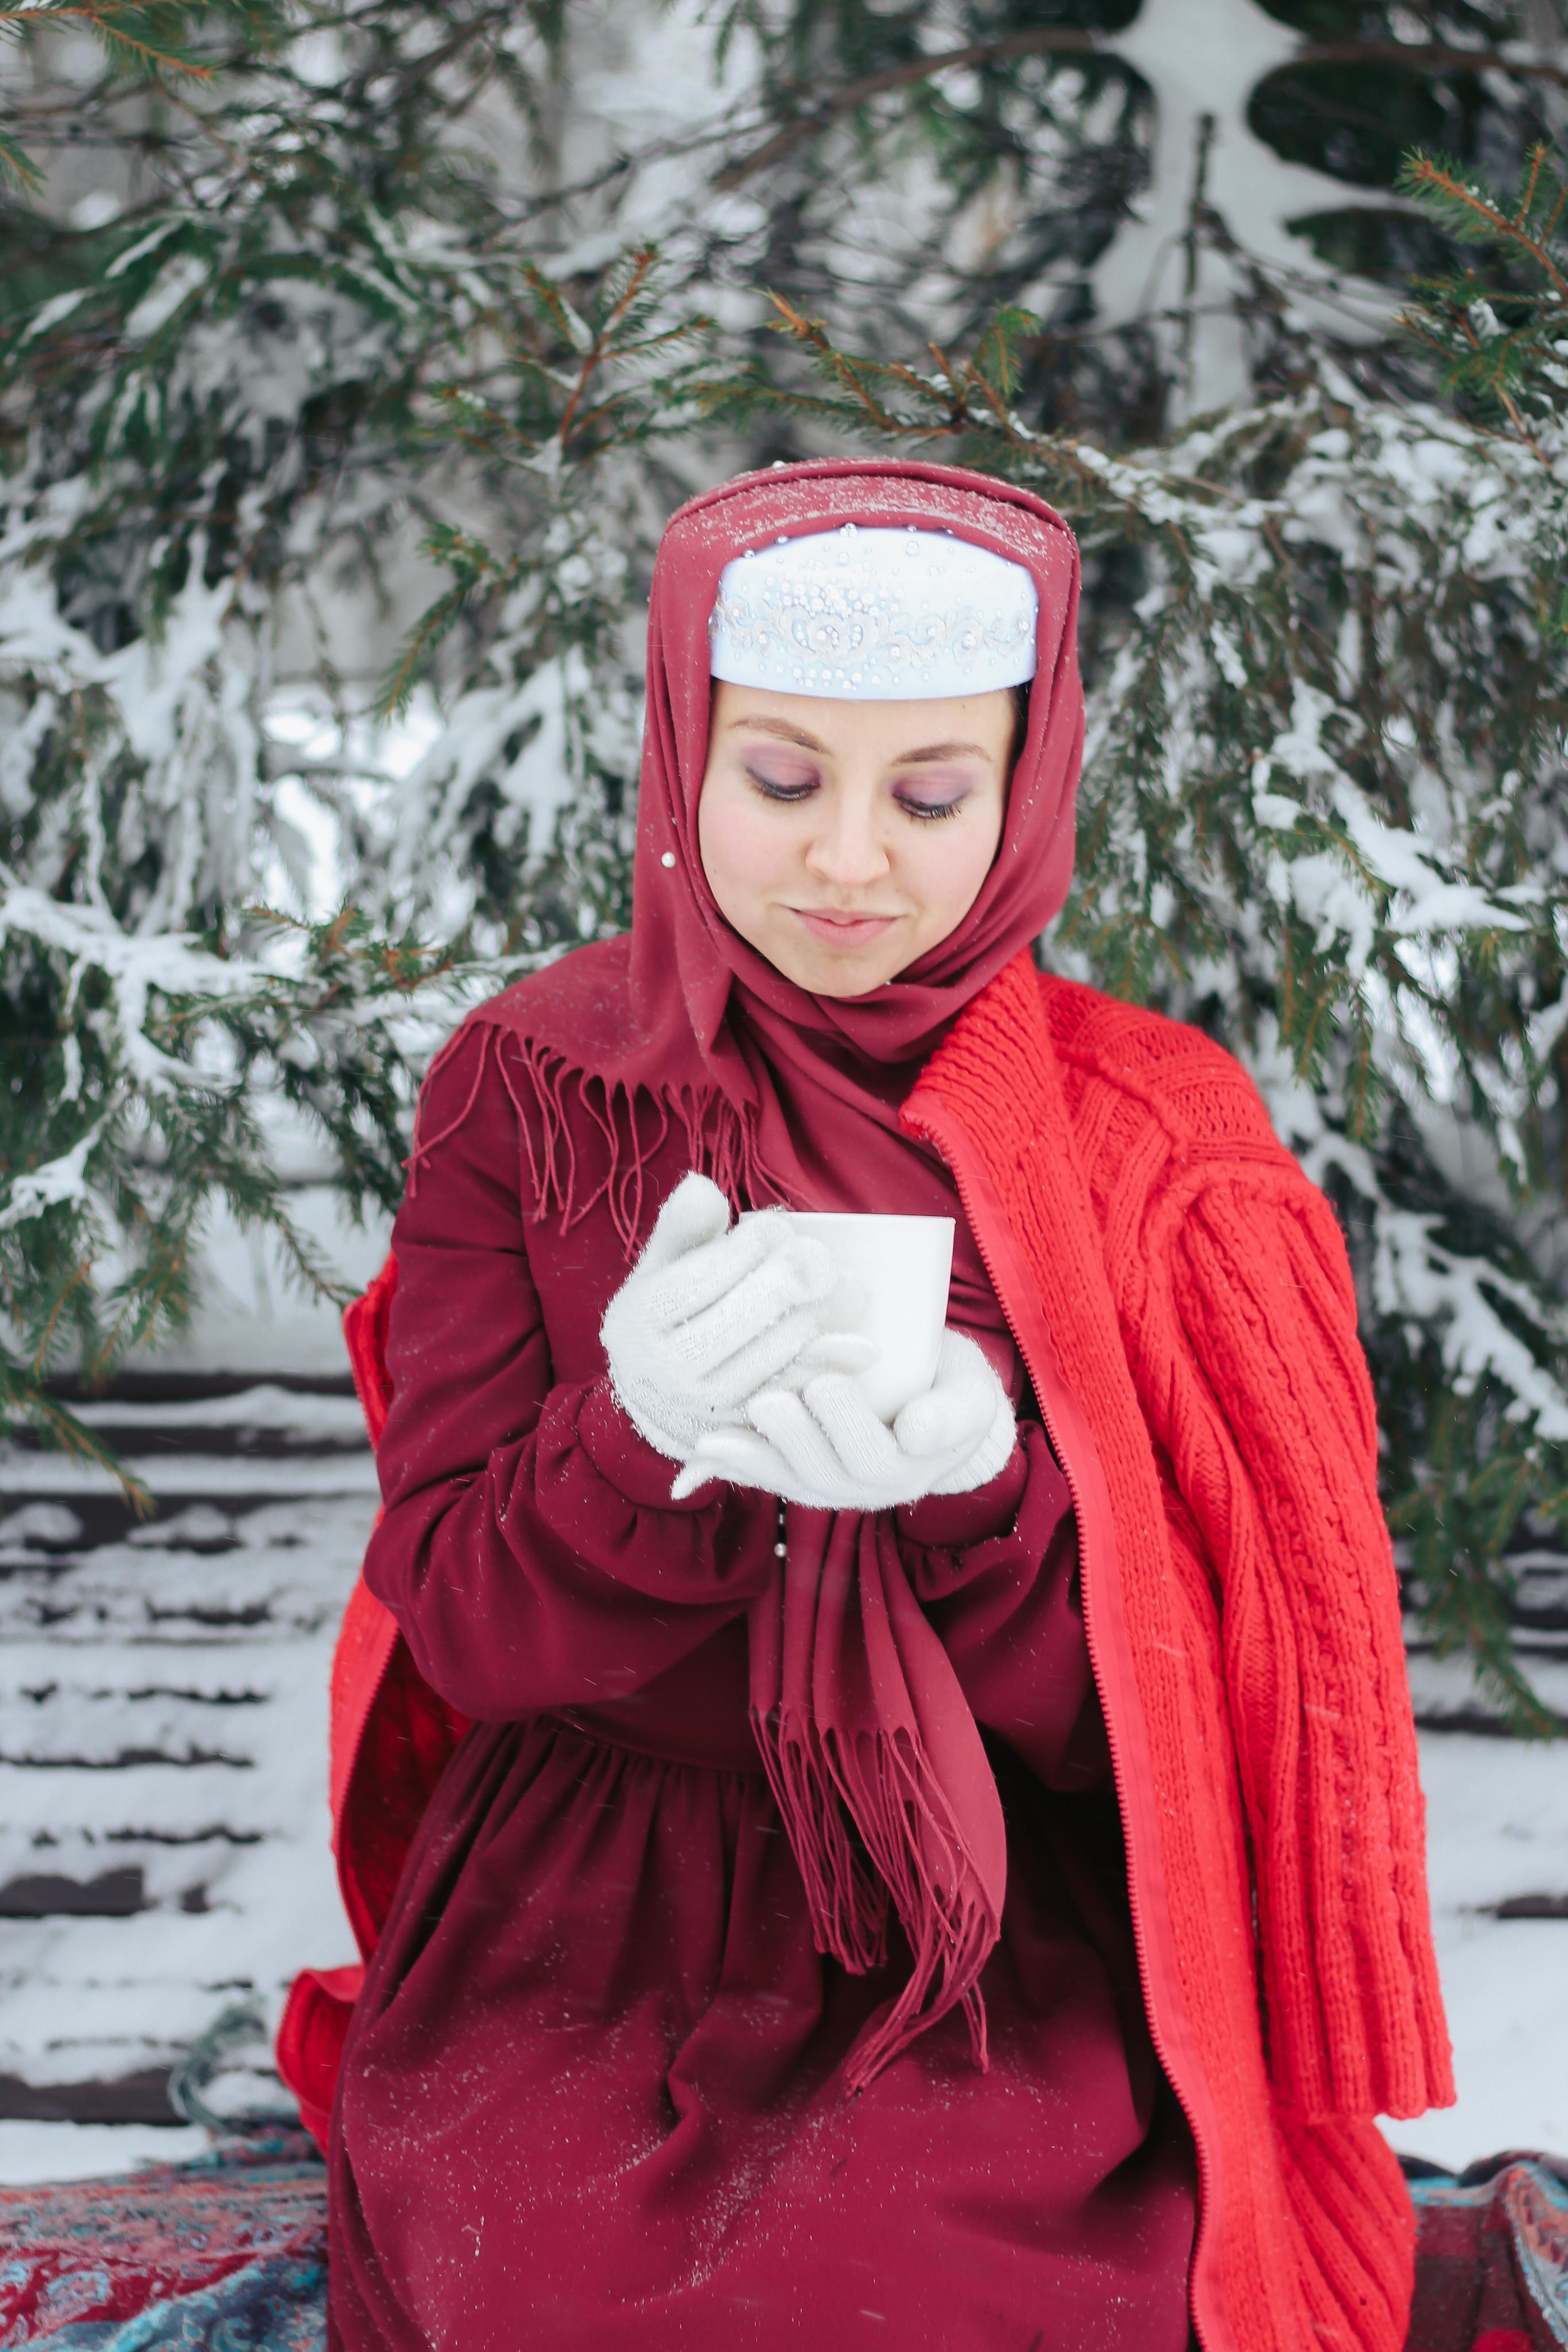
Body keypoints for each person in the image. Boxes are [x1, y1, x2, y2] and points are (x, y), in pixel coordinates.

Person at [283, 460, 1453, 2352]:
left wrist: (981, 1502)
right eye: (781, 779)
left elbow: (1172, 1746)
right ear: (685, 752)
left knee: (972, 2294)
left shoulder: (1146, 1142)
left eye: (926, 796)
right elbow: (474, 1628)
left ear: (1025, 785)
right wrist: (634, 1432)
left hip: (1004, 1930)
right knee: (567, 2300)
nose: (847, 864)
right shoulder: (533, 1087)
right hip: (586, 1923)